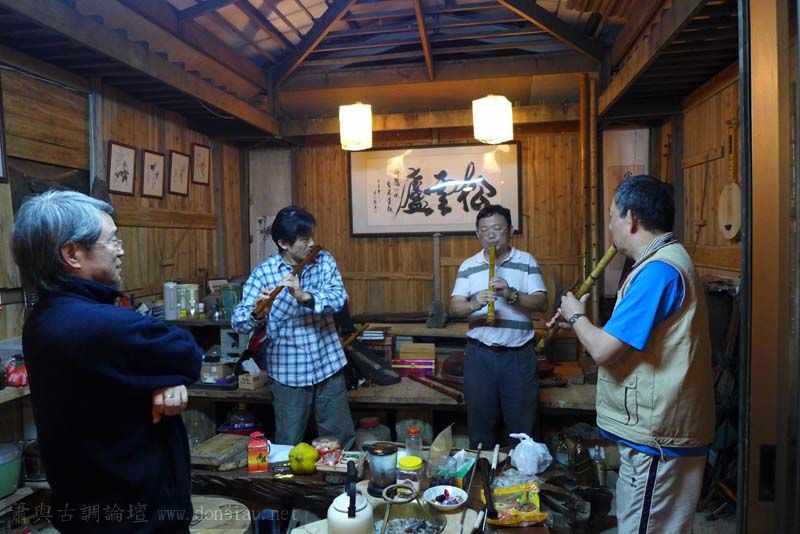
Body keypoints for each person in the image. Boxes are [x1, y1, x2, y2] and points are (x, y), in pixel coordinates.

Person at [10, 190, 202, 533]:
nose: (121, 250)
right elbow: (187, 353)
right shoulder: (105, 326)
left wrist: (163, 378)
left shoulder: (42, 320)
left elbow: (119, 376)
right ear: (72, 254)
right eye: (112, 240)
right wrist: (170, 374)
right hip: (136, 520)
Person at [550, 175, 714, 533]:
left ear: (632, 219)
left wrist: (576, 315)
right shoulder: (663, 262)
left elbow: (603, 350)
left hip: (659, 437)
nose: (610, 225)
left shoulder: (658, 272)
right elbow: (619, 340)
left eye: (612, 215)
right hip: (662, 431)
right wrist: (580, 323)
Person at [232, 206, 355, 449]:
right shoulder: (264, 273)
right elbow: (239, 322)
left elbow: (339, 299)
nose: (312, 243)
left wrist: (305, 296)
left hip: (328, 364)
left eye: (311, 236)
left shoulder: (324, 261)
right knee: (288, 443)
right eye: (304, 239)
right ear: (283, 243)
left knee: (340, 440)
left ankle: (342, 474)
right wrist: (258, 313)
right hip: (287, 372)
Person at [449, 204, 547, 448]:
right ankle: (483, 470)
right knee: (480, 428)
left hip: (518, 357)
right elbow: (454, 308)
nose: (491, 235)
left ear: (510, 230)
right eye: (484, 230)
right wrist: (475, 303)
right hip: (479, 356)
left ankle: (523, 471)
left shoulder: (526, 261)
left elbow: (542, 302)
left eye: (497, 228)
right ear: (477, 234)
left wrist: (511, 294)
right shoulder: (468, 266)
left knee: (523, 430)